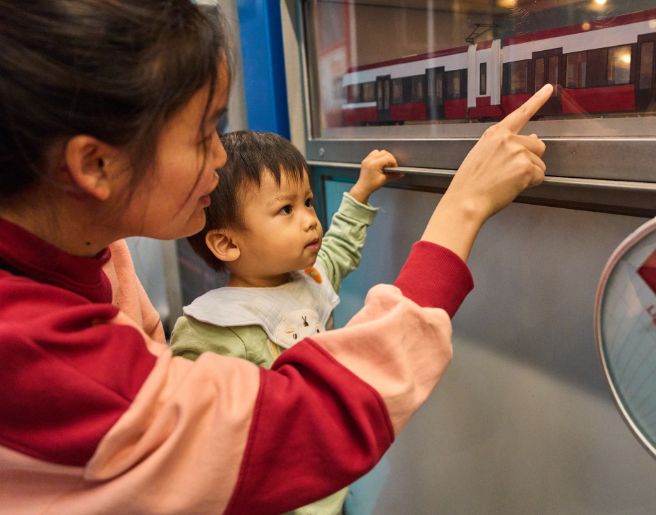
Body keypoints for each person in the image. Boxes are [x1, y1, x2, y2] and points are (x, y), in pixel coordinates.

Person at [0, 1, 551, 513]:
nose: (219, 158)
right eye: (203, 134)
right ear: (95, 165)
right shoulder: (33, 350)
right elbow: (298, 427)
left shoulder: (92, 255)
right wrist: (464, 206)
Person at [170, 131, 400, 515]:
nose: (311, 220)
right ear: (227, 244)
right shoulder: (214, 325)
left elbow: (339, 248)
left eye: (307, 202)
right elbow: (193, 433)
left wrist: (361, 191)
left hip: (327, 487)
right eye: (286, 210)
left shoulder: (307, 279)